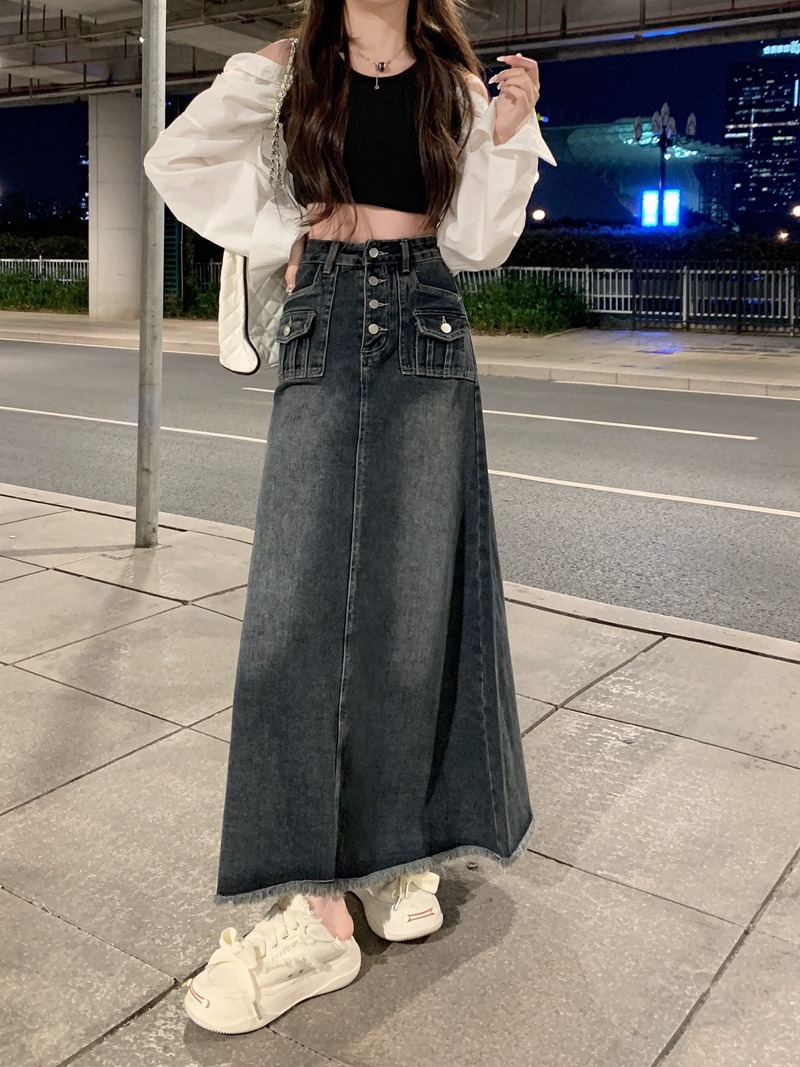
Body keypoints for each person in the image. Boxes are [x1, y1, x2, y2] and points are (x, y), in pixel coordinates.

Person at [144, 0, 555, 1037]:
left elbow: (475, 245)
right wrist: (286, 224)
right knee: (292, 617)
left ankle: (391, 856)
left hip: (425, 323)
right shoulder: (291, 69)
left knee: (410, 619)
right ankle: (315, 908)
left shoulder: (452, 84)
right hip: (323, 314)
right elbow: (176, 161)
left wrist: (506, 141)